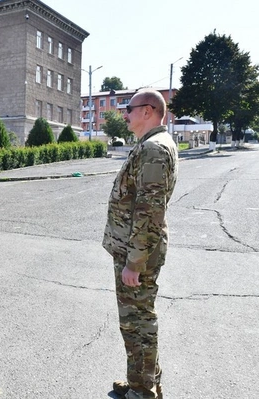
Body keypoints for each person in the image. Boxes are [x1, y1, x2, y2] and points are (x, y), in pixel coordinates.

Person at [102, 89, 178, 399]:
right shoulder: (152, 146)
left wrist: (134, 262)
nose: (125, 115)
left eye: (129, 109)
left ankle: (143, 391)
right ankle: (141, 383)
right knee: (136, 321)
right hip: (136, 249)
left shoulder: (153, 150)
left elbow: (150, 211)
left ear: (148, 111)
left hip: (138, 254)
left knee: (138, 323)